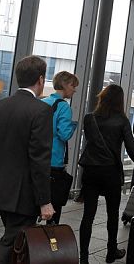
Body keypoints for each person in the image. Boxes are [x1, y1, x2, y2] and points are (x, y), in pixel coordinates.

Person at [0, 56, 55, 264]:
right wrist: (44, 201)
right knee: (11, 243)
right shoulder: (41, 110)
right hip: (23, 194)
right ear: (40, 79)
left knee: (16, 242)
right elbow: (39, 159)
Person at [78, 85, 134, 264]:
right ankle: (111, 252)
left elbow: (91, 143)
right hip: (110, 171)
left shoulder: (89, 118)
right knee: (112, 213)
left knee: (88, 215)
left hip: (91, 170)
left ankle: (84, 257)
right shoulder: (122, 120)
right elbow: (131, 147)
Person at [41, 71, 79, 224]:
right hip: (54, 160)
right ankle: (50, 235)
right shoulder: (63, 107)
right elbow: (64, 134)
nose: (74, 90)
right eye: (72, 85)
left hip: (38, 158)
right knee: (54, 206)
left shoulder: (43, 102)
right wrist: (74, 125)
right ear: (64, 84)